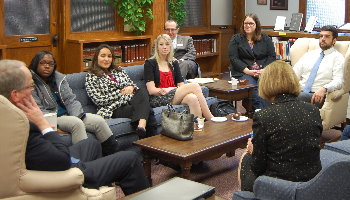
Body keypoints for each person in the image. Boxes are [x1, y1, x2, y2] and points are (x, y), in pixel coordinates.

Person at [0, 59, 149, 195]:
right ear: (15, 94)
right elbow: (61, 160)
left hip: (50, 160)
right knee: (129, 158)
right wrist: (43, 124)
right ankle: (90, 178)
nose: (34, 89)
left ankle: (92, 189)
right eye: (31, 86)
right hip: (63, 171)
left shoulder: (9, 115)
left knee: (91, 143)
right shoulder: (22, 125)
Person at [239, 60, 322, 192]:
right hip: (312, 182)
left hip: (280, 186)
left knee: (247, 158)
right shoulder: (313, 110)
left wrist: (253, 150)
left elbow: (258, 167)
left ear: (266, 83)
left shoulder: (264, 116)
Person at [29, 50, 119, 156]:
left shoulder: (59, 79)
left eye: (50, 64)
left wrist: (78, 115)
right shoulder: (30, 82)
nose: (47, 66)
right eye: (43, 63)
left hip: (71, 114)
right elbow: (38, 109)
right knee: (77, 124)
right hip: (54, 117)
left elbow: (71, 100)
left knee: (98, 121)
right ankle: (82, 163)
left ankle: (114, 155)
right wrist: (52, 126)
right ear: (35, 64)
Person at [85, 44, 150, 138]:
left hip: (130, 101)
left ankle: (142, 129)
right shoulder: (91, 76)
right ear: (96, 58)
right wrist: (121, 93)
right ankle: (145, 137)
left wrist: (132, 88)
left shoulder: (118, 70)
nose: (106, 59)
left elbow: (133, 86)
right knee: (147, 111)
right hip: (113, 108)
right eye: (103, 56)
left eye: (109, 56)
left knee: (142, 91)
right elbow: (99, 100)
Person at [145, 34, 214, 120]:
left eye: (167, 44)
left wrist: (171, 89)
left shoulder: (174, 62)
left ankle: (197, 127)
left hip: (173, 93)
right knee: (195, 86)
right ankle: (211, 118)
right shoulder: (150, 63)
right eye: (161, 44)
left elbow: (181, 85)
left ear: (171, 47)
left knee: (192, 98)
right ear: (157, 47)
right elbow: (151, 90)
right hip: (158, 98)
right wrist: (169, 90)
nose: (164, 47)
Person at [228, 13, 276, 110]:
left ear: (256, 25)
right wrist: (247, 71)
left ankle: (263, 112)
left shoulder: (265, 38)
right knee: (253, 87)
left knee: (267, 86)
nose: (248, 25)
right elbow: (233, 58)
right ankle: (260, 112)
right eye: (246, 23)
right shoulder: (236, 39)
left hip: (263, 71)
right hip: (242, 72)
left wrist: (263, 69)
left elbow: (272, 57)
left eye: (251, 23)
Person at [293, 25, 344, 108]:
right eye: (321, 36)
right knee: (274, 94)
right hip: (299, 91)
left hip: (317, 94)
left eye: (327, 36)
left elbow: (339, 81)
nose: (323, 39)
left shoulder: (338, 58)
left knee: (294, 99)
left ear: (334, 40)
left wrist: (324, 89)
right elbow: (294, 73)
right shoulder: (310, 54)